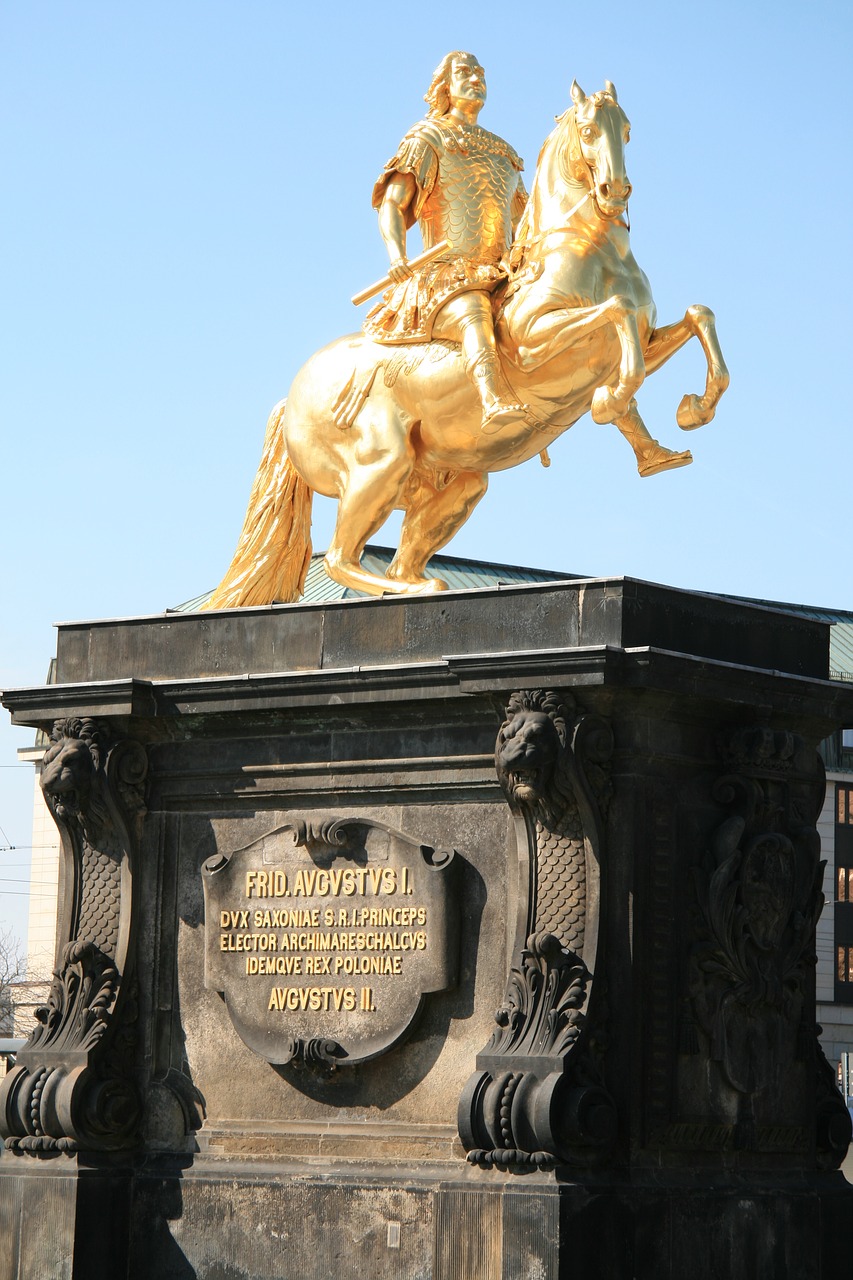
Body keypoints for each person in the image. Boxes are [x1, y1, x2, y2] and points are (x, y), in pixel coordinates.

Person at [365, 51, 529, 432]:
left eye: (480, 72)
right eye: (464, 72)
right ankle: (492, 398)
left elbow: (525, 219)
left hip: (502, 272)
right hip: (449, 273)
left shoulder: (504, 152)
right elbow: (392, 203)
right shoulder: (428, 137)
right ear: (446, 86)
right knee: (474, 311)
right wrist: (396, 257)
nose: (475, 78)